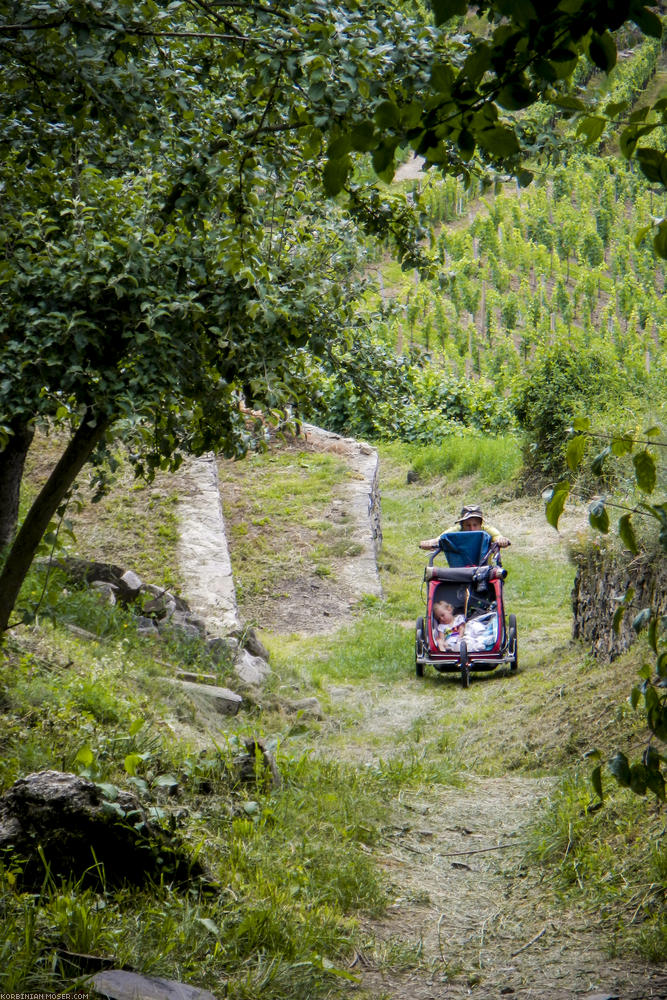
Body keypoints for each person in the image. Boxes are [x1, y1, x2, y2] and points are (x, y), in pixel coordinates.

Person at [419, 503, 510, 550]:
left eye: (475, 525)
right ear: (462, 524)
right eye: (468, 525)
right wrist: (430, 543)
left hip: (485, 569)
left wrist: (502, 540)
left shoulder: (487, 530)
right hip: (460, 570)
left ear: (481, 524)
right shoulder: (457, 530)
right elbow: (440, 538)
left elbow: (498, 537)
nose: (472, 529)